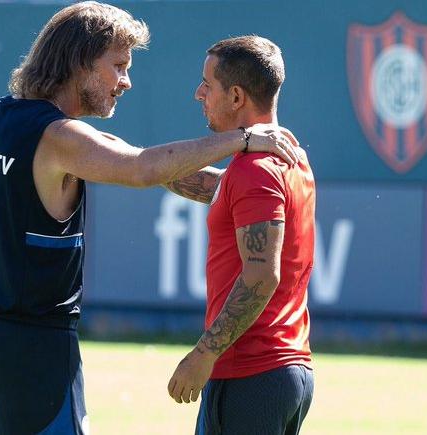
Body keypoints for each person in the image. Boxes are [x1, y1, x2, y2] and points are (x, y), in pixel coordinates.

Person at [0, 3, 300, 435]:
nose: (126, 81)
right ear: (80, 63)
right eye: (118, 66)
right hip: (31, 348)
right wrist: (242, 140)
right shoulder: (61, 137)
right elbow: (140, 167)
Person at [166, 36, 315, 435]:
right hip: (277, 371)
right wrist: (133, 165)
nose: (198, 94)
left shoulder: (256, 170)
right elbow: (217, 186)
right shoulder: (287, 158)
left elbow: (261, 275)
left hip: (251, 373)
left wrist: (203, 354)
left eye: (207, 85)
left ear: (235, 96)